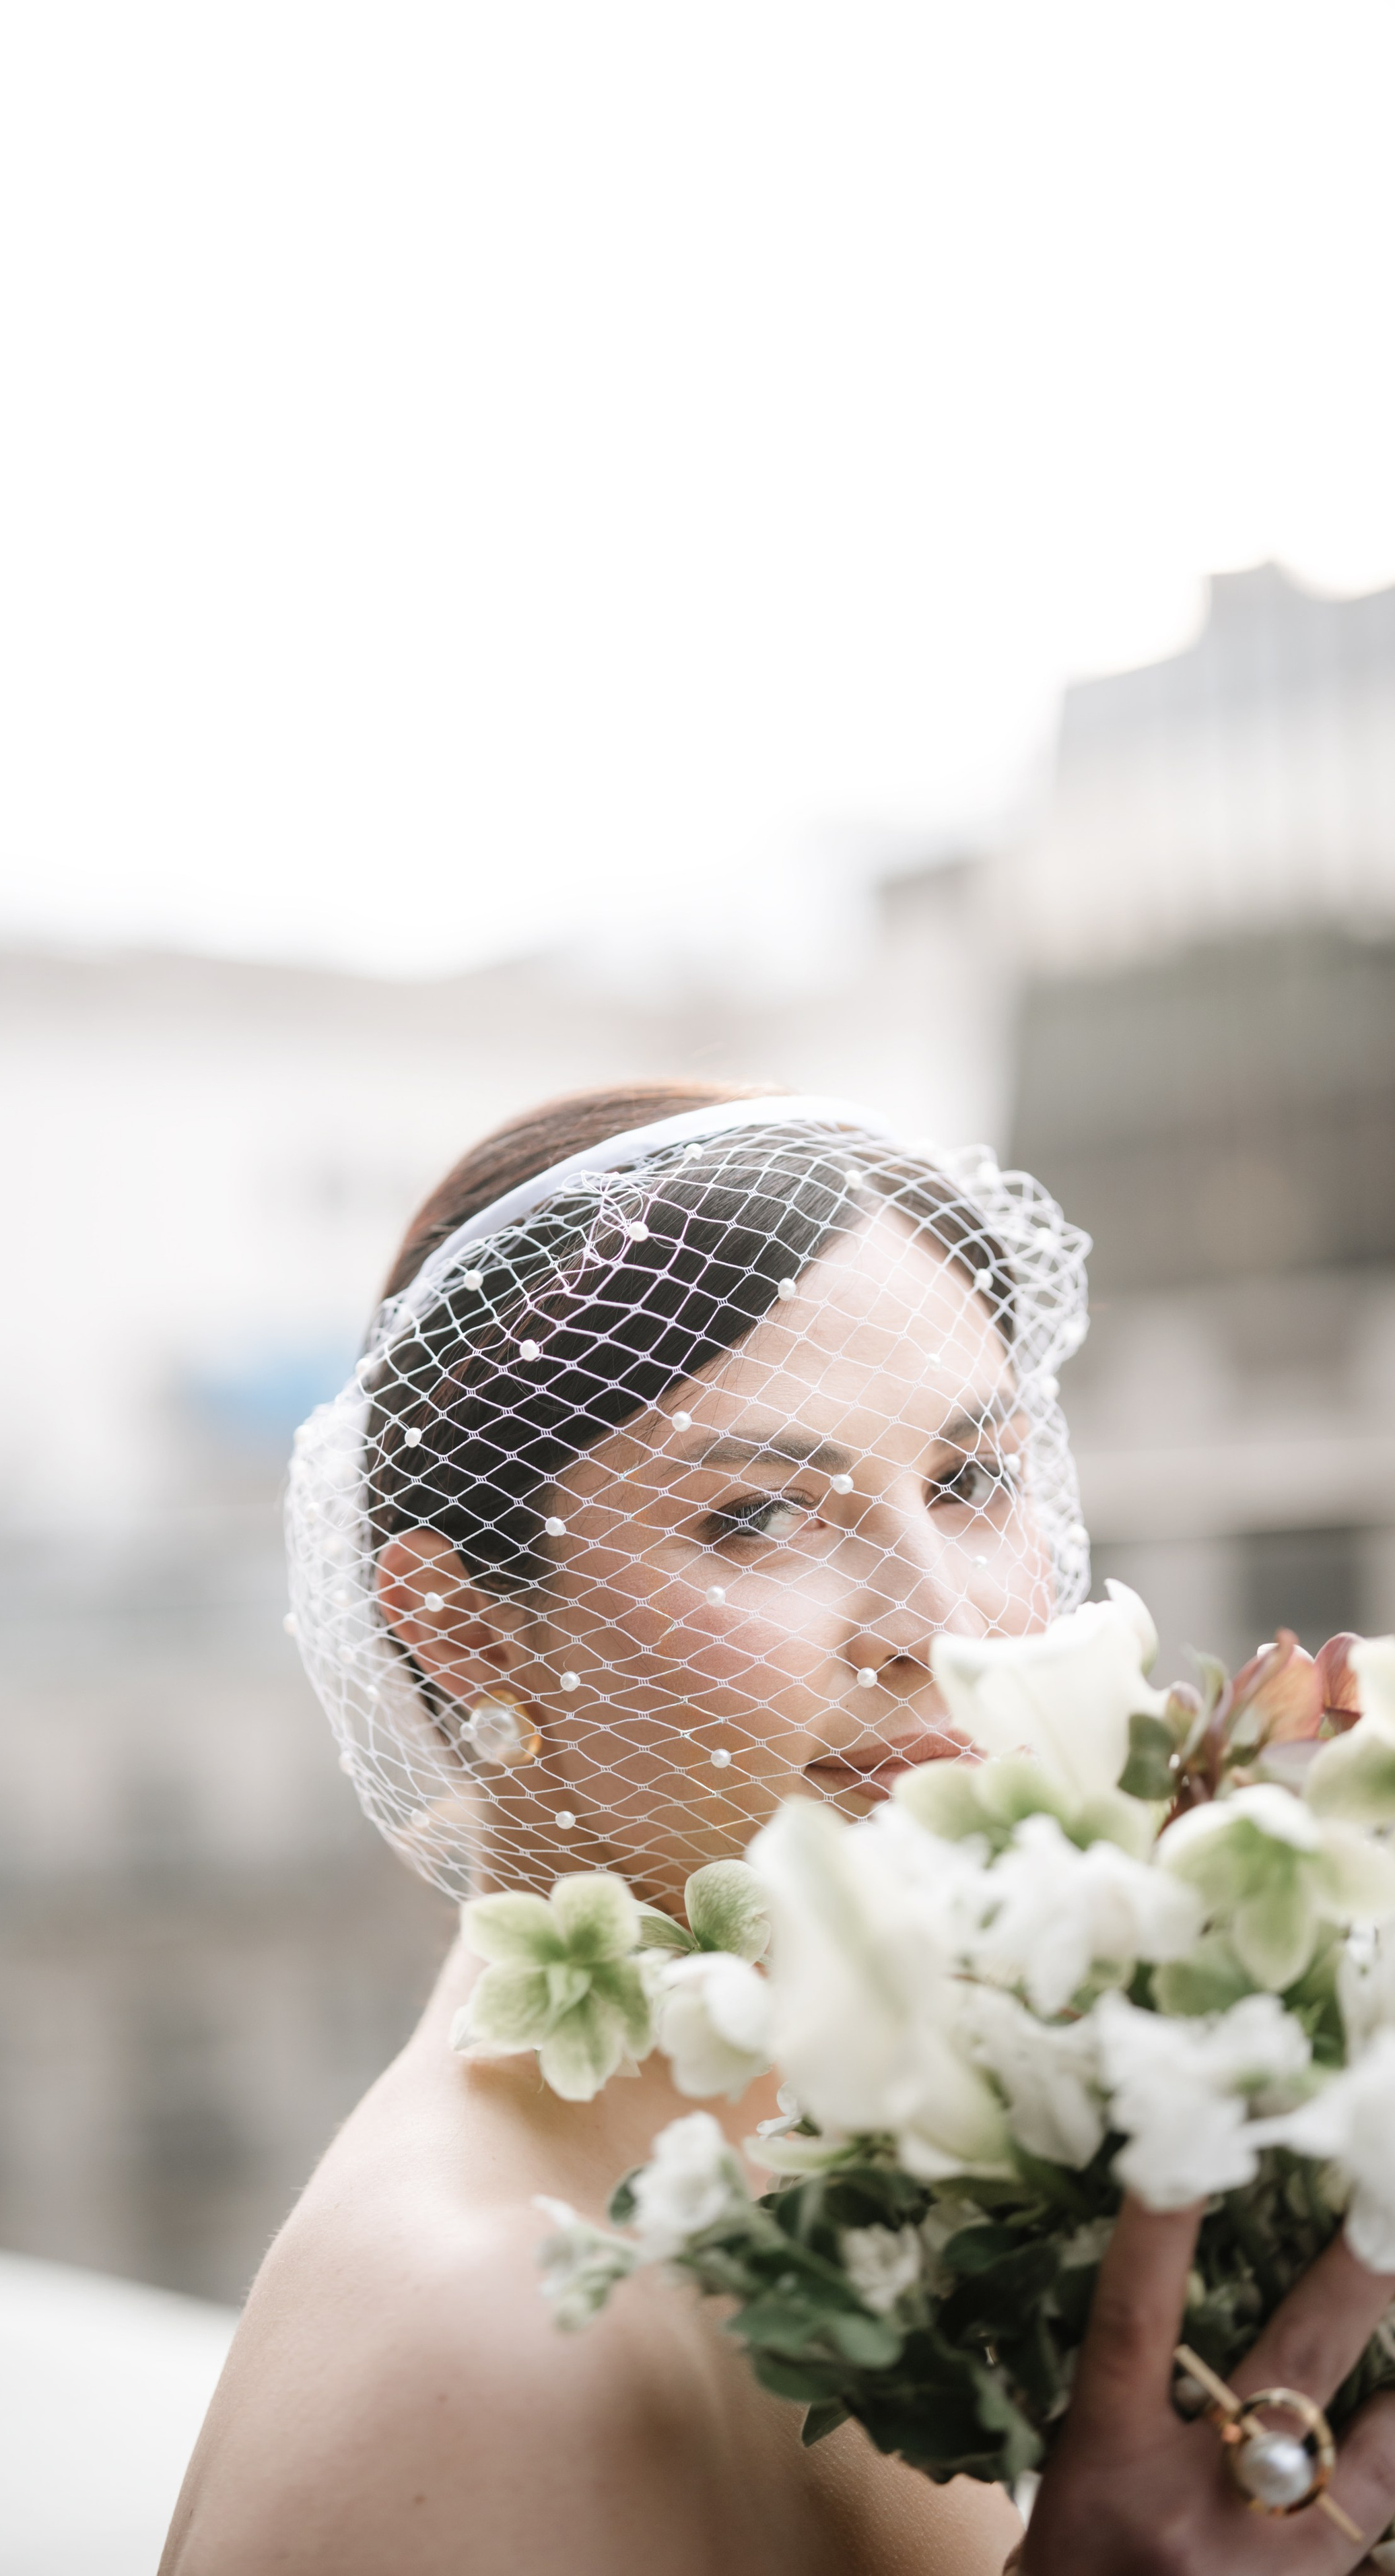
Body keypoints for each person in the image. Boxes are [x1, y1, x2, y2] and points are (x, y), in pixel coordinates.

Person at [160, 1083, 1395, 2576]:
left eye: (969, 1480)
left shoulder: (908, 2155)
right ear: (460, 1625)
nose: (940, 1626)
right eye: (759, 1516)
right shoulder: (484, 2340)